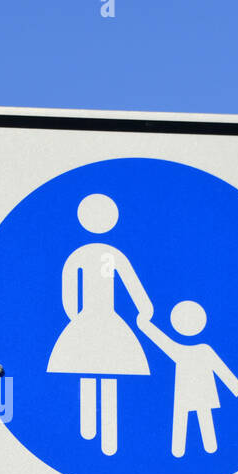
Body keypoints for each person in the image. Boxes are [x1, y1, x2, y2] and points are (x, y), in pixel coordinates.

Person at [47, 194, 153, 456]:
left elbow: (68, 295)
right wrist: (145, 309)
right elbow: (132, 285)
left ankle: (93, 433)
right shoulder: (109, 254)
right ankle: (99, 438)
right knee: (106, 373)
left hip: (89, 320)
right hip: (103, 320)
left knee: (91, 370)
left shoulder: (81, 255)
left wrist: (77, 319)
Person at [137, 301, 238, 457]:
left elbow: (220, 368)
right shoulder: (196, 350)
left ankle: (189, 451)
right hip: (190, 392)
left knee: (195, 418)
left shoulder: (188, 351)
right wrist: (144, 325)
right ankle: (185, 451)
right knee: (191, 418)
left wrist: (234, 385)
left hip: (195, 392)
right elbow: (222, 370)